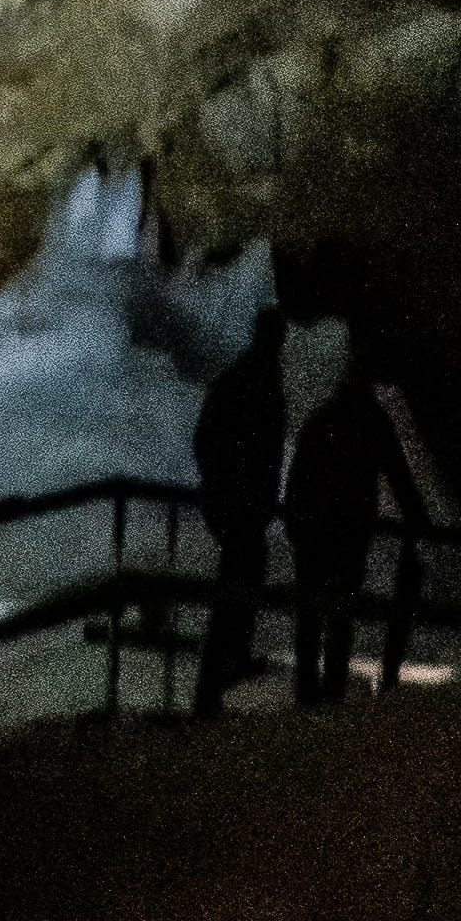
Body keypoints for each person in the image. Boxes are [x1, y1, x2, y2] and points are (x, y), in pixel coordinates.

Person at [189, 299, 295, 709]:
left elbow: (205, 438)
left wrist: (218, 481)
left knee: (238, 577)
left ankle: (220, 672)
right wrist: (246, 488)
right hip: (243, 502)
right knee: (242, 577)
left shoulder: (237, 378)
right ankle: (221, 672)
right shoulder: (260, 382)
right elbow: (260, 447)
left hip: (232, 499)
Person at [288, 364, 404, 708]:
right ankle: (332, 689)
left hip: (312, 528)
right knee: (341, 612)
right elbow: (397, 474)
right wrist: (417, 519)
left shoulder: (321, 419)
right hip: (350, 532)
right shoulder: (371, 421)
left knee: (310, 612)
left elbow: (297, 477)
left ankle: (307, 692)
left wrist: (296, 525)